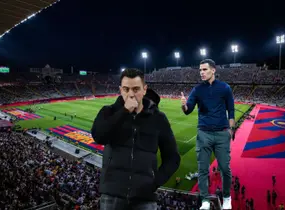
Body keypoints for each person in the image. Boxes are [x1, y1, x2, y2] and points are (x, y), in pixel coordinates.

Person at [92, 68, 181, 210]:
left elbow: (173, 158)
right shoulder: (108, 112)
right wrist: (124, 111)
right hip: (112, 195)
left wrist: (154, 182)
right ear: (120, 90)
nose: (131, 94)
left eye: (136, 89)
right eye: (126, 89)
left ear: (144, 90)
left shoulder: (158, 118)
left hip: (144, 198)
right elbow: (99, 136)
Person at [180, 59, 235, 209]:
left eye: (204, 70)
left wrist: (230, 130)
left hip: (222, 134)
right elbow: (188, 110)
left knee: (225, 168)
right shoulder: (197, 90)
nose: (201, 73)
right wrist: (184, 105)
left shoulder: (225, 88)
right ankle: (204, 200)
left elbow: (231, 110)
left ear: (213, 70)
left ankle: (226, 198)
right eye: (200, 70)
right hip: (203, 134)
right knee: (202, 169)